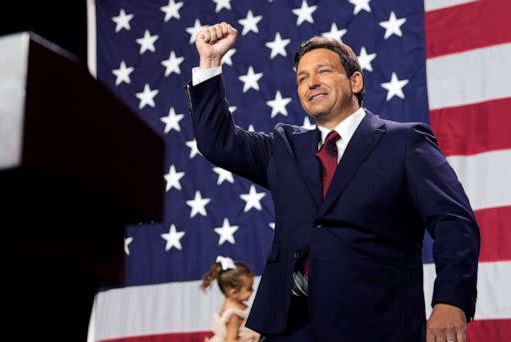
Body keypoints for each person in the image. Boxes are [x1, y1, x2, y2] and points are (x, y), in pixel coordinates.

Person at [185, 22, 480, 342]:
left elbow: (454, 221)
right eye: (301, 78)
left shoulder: (405, 141)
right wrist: (210, 63)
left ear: (355, 81)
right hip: (292, 329)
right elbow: (217, 143)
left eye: (323, 71)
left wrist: (451, 300)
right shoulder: (282, 148)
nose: (311, 83)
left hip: (377, 326)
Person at [201, 256, 261, 342]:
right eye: (249, 288)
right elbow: (231, 339)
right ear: (233, 292)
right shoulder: (234, 314)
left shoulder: (229, 302)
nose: (253, 290)